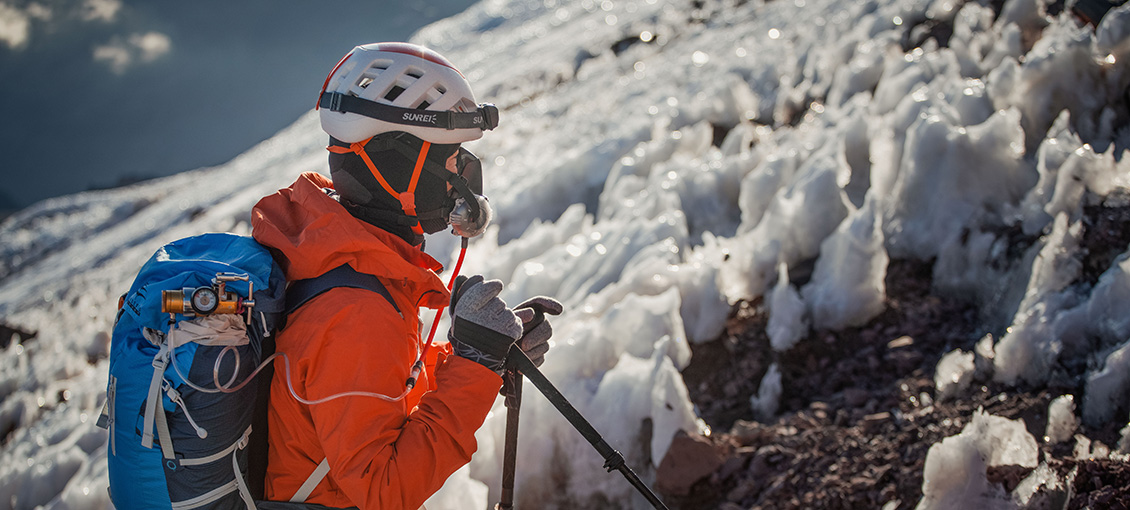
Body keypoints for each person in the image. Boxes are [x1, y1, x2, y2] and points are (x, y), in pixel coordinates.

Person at [250, 42, 560, 510]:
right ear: (397, 161)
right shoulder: (356, 311)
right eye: (451, 154)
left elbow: (373, 391)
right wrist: (477, 364)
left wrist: (481, 360)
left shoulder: (336, 256)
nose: (464, 172)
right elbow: (384, 492)